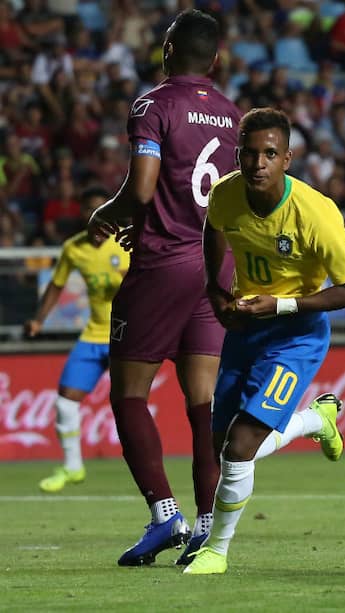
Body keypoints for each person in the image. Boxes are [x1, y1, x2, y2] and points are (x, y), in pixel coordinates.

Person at [183, 108, 345, 574]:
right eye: (250, 152)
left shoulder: (315, 213)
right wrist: (215, 289)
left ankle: (217, 551)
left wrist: (283, 305)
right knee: (221, 445)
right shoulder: (225, 194)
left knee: (241, 445)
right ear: (239, 154)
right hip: (247, 327)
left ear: (287, 158)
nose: (258, 162)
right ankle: (316, 420)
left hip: (296, 336)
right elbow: (214, 231)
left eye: (270, 153)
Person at [86, 9, 242, 566]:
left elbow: (145, 188)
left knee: (129, 392)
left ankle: (164, 516)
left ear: (168, 48)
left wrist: (107, 212)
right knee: (203, 405)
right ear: (216, 59)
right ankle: (205, 527)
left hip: (163, 266)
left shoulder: (154, 104)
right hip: (215, 269)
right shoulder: (232, 114)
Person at [25, 187, 129, 493]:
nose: (95, 214)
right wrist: (38, 320)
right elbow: (57, 286)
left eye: (101, 208)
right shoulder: (74, 248)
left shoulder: (126, 241)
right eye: (89, 209)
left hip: (128, 335)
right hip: (93, 334)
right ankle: (73, 467)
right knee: (65, 401)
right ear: (84, 214)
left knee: (130, 404)